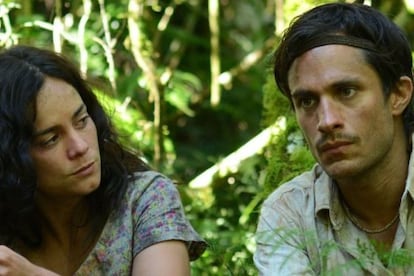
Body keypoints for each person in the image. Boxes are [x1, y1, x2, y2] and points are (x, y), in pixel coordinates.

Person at [0, 45, 206, 275]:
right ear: (11, 158)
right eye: (51, 139)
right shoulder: (7, 234)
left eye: (81, 120)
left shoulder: (144, 200)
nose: (80, 146)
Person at [254, 2, 414, 275]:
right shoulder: (288, 213)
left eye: (346, 91)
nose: (326, 121)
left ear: (398, 95)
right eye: (307, 101)